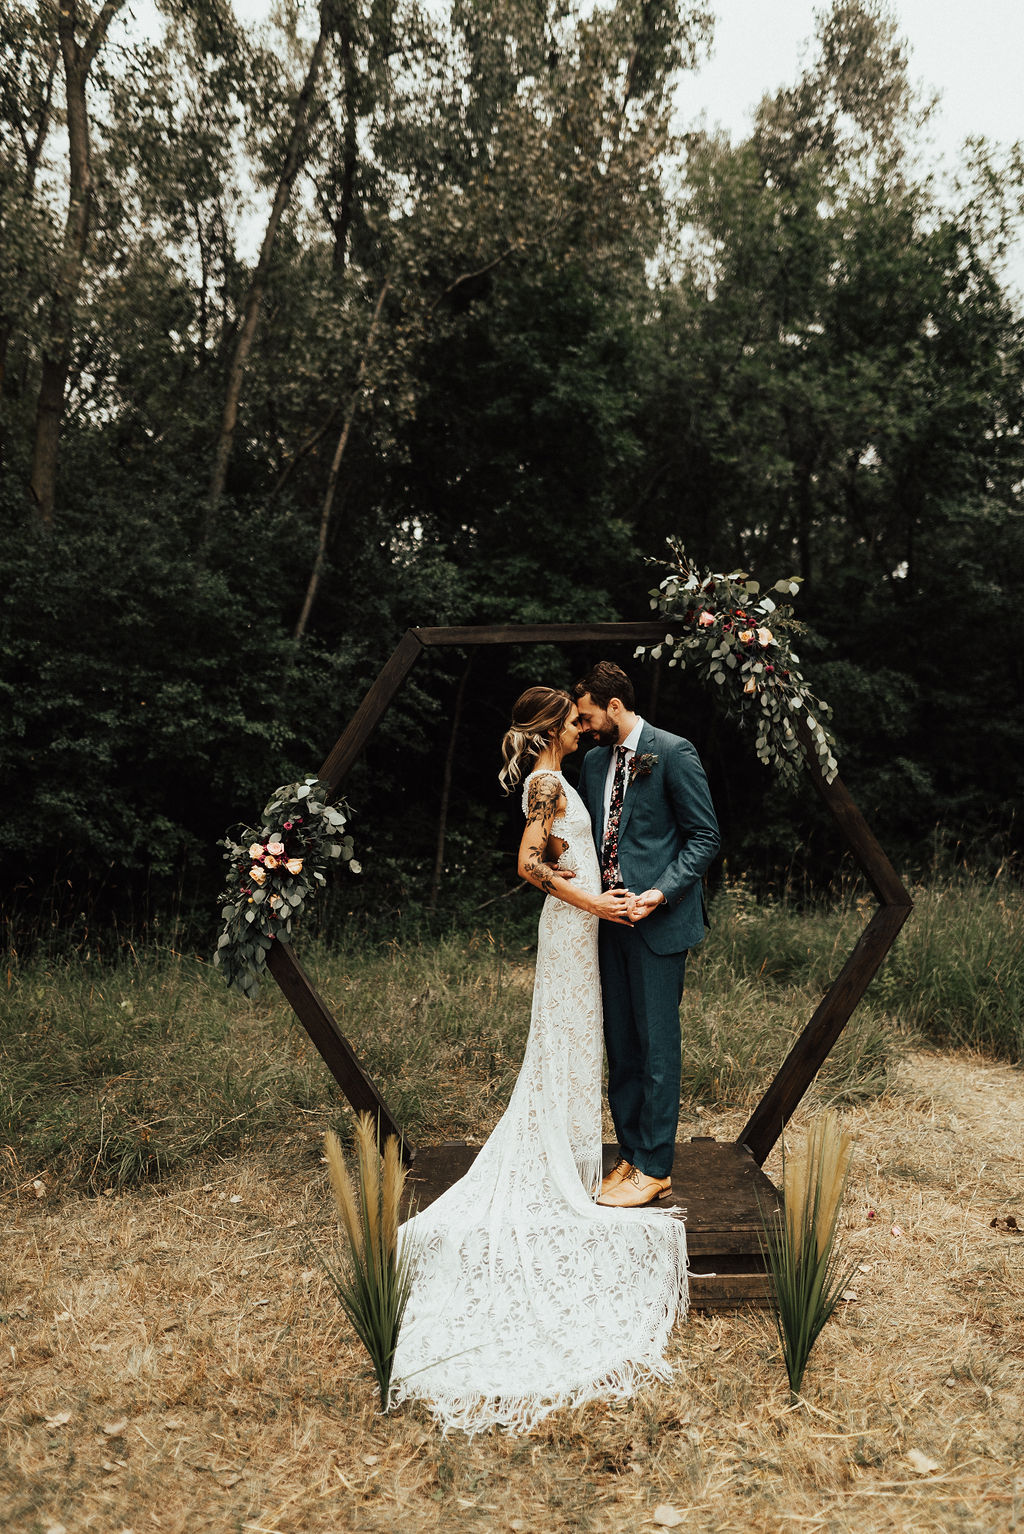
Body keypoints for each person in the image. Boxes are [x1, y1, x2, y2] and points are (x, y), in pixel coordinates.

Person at [389, 686, 689, 1434]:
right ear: (555, 726)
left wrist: (580, 872)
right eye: (573, 719)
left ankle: (576, 1154)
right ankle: (559, 1162)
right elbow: (528, 867)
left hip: (588, 930)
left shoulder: (562, 779)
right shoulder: (550, 780)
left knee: (578, 1048)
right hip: (573, 931)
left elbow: (557, 850)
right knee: (566, 1044)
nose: (583, 727)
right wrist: (600, 905)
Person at [574, 661, 720, 1209]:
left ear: (615, 706)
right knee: (622, 1046)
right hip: (606, 924)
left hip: (659, 924)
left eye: (588, 717)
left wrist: (658, 895)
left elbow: (704, 838)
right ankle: (632, 1154)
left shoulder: (673, 752)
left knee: (658, 1048)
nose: (583, 728)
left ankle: (657, 1166)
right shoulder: (592, 763)